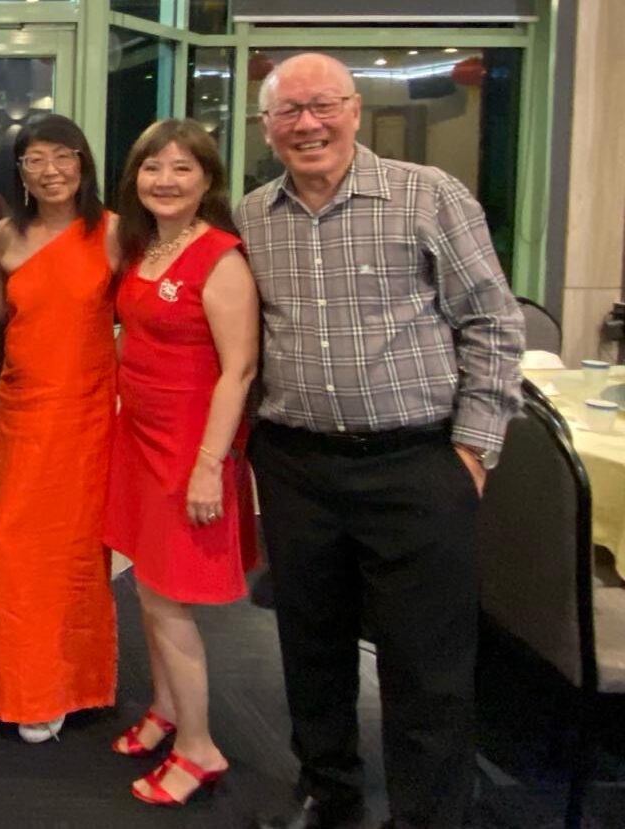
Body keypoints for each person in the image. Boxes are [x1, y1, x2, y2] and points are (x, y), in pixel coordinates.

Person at [239, 53, 523, 829]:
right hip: (298, 465)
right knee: (311, 645)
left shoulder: (427, 195)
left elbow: (495, 325)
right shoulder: (252, 215)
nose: (308, 124)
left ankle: (427, 816)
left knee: (425, 662)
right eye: (288, 112)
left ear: (354, 110)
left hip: (416, 461)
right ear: (267, 128)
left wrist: (472, 449)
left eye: (322, 105)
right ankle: (328, 789)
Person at [102, 119, 259, 807]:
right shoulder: (146, 247)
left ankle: (200, 745)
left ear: (207, 180)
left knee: (171, 602)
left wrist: (207, 465)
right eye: (152, 168)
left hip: (188, 447)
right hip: (136, 437)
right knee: (145, 584)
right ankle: (166, 708)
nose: (165, 181)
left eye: (181, 169)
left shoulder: (221, 257)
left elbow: (240, 369)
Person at [0, 114, 121, 744]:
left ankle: (75, 684)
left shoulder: (112, 233)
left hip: (87, 415)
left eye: (64, 156)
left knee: (79, 553)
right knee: (17, 551)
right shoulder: (8, 233)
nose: (51, 170)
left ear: (83, 163)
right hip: (22, 414)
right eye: (36, 159)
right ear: (20, 172)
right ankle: (23, 686)